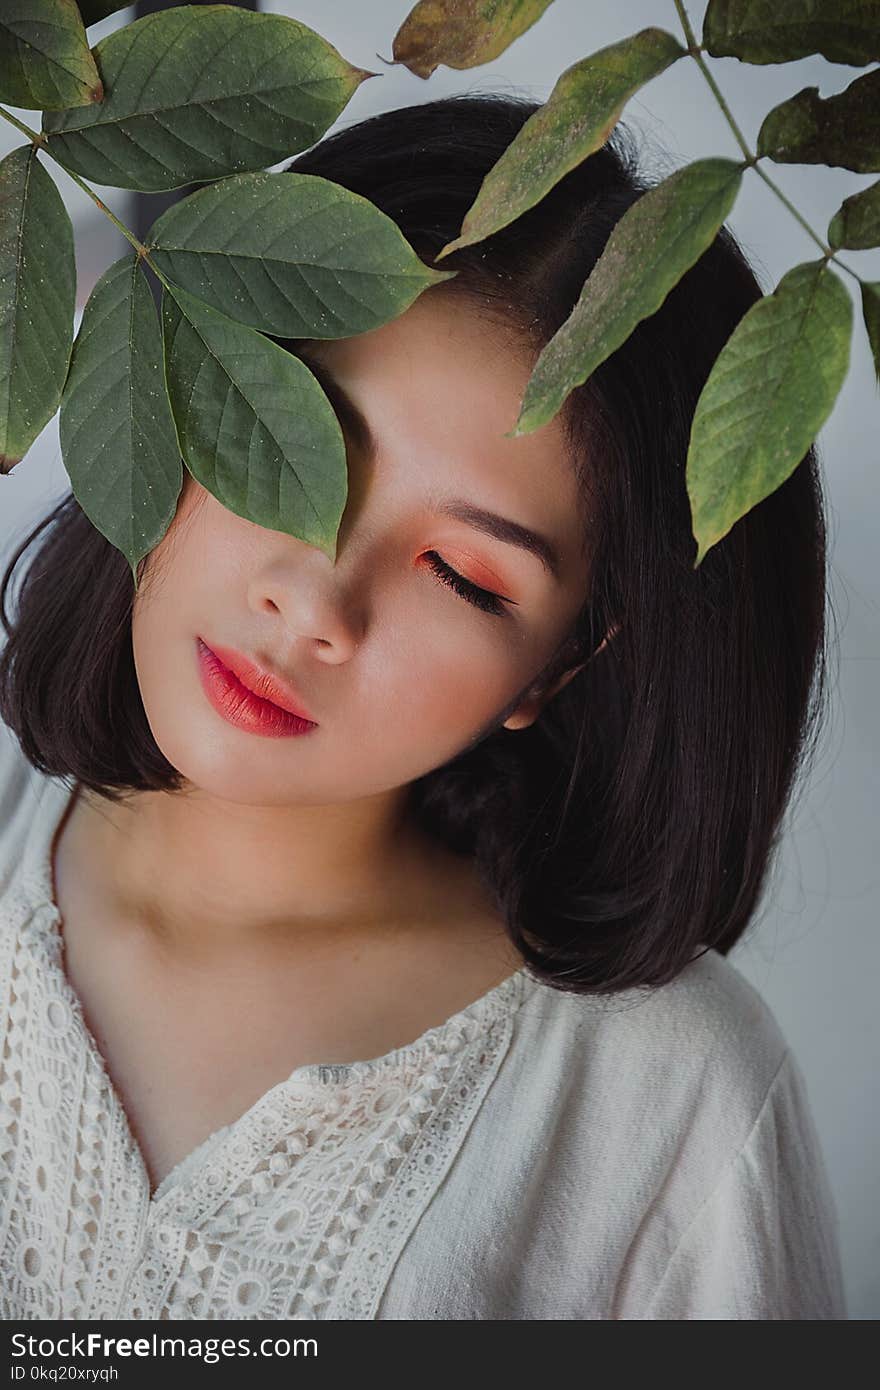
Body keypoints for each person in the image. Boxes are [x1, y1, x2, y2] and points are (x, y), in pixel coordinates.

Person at [0, 94, 847, 1320]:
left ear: (559, 668)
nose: (314, 597)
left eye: (462, 574)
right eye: (296, 434)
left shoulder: (671, 1102)